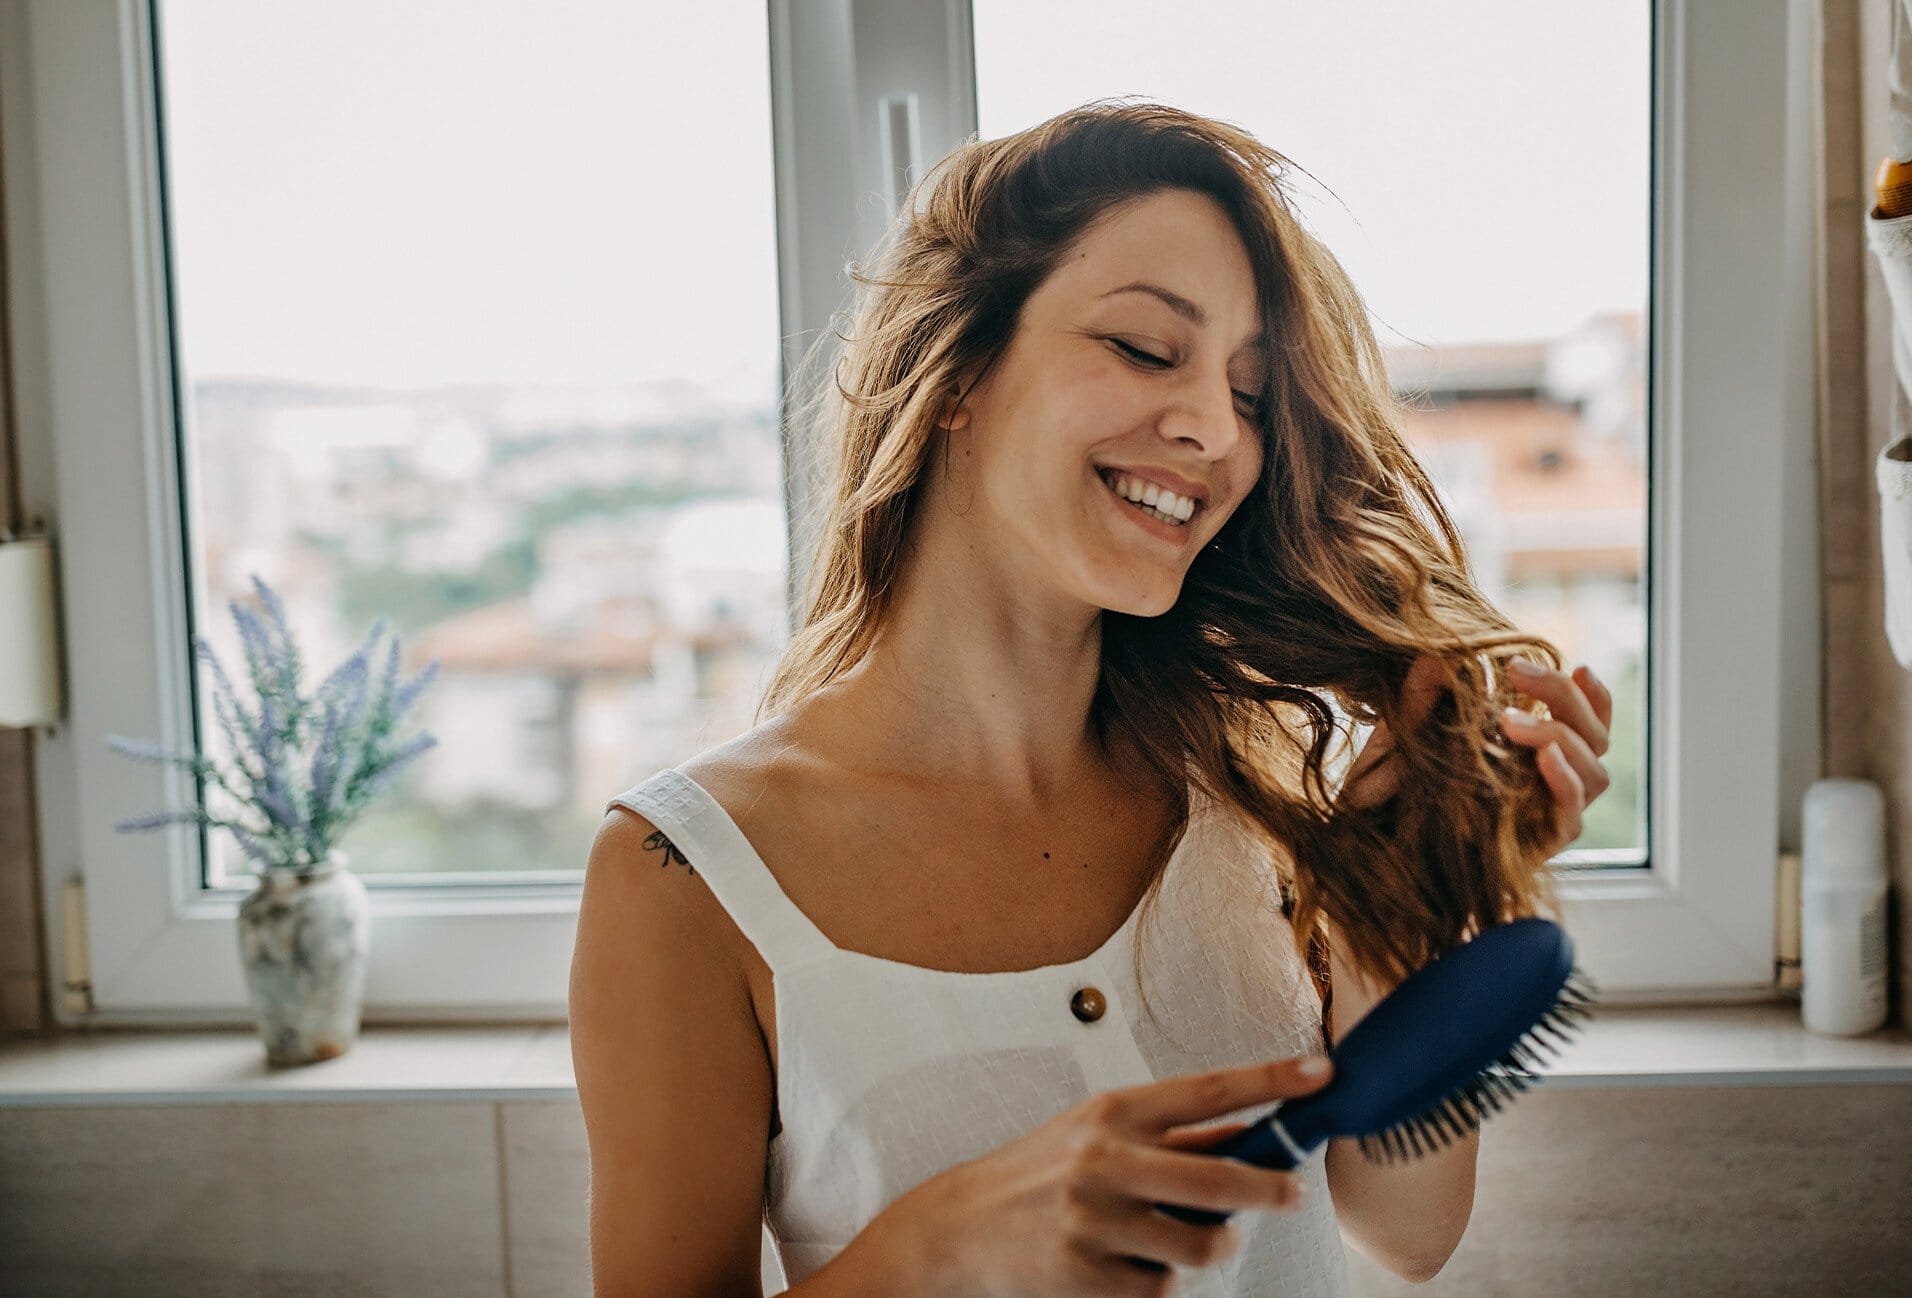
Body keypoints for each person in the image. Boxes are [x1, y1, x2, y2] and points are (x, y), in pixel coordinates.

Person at [569, 99, 1613, 1298]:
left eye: (1253, 393)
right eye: (1144, 347)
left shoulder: (1259, 789)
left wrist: (1408, 888)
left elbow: (1407, 1227)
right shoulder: (689, 878)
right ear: (955, 370)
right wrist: (938, 1249)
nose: (1214, 428)